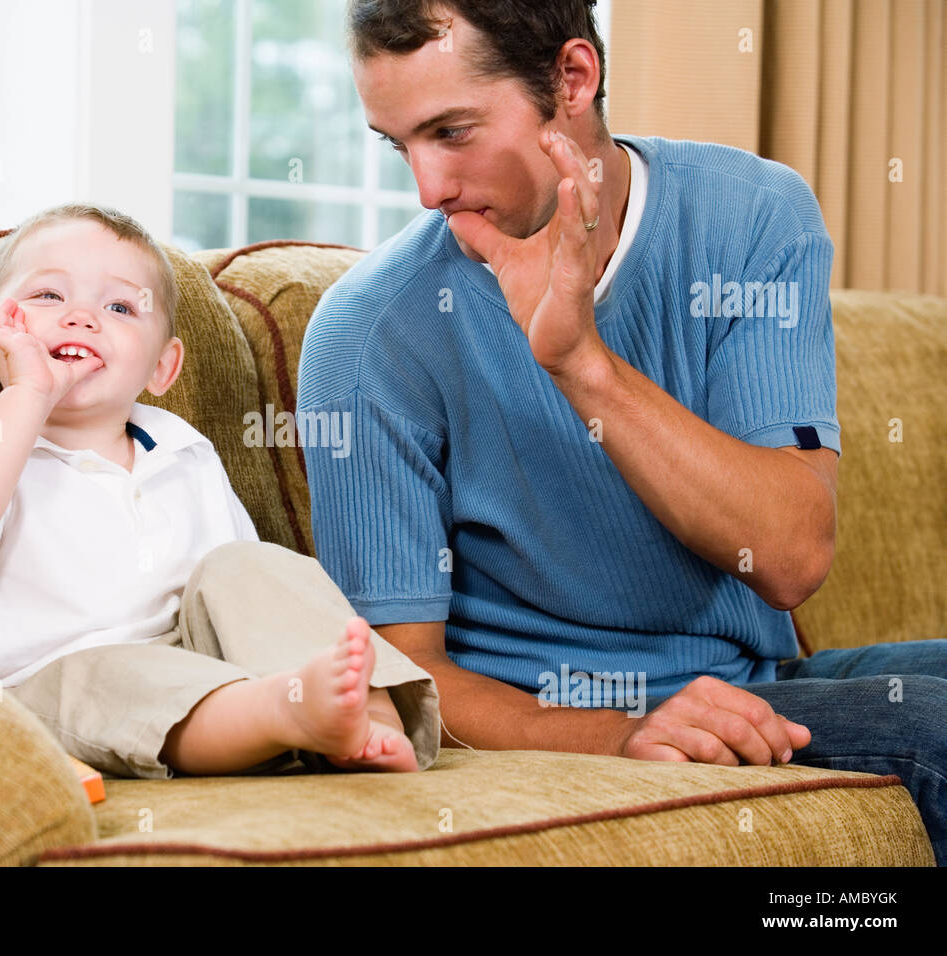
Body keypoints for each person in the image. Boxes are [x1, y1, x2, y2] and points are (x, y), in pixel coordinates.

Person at [297, 0, 946, 861]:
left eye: (452, 131)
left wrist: (582, 363)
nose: (427, 188)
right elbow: (406, 684)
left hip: (755, 683)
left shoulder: (751, 218)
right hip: (557, 715)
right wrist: (618, 734)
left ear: (573, 78)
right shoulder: (368, 333)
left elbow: (790, 556)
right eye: (398, 143)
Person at [0, 202, 439, 779]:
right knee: (113, 675)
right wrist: (29, 393)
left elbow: (244, 594)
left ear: (163, 367)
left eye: (119, 306)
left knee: (253, 564)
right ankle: (290, 715)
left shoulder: (184, 449)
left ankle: (371, 716)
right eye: (48, 297)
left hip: (204, 656)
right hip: (65, 681)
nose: (82, 318)